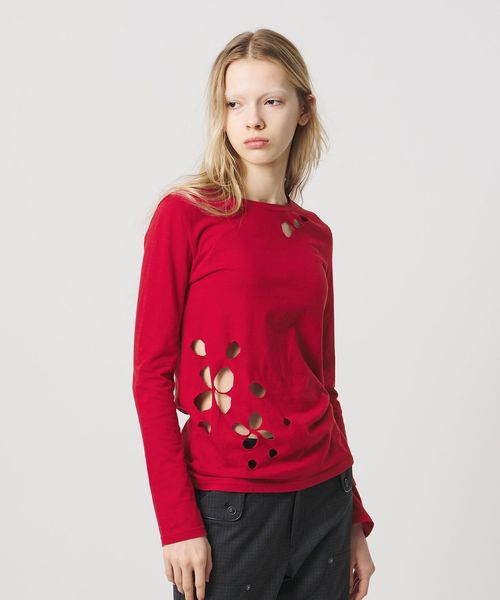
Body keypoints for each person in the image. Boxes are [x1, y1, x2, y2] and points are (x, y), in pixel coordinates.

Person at [132, 28, 375, 600]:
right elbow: (150, 378)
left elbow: (322, 383)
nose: (253, 120)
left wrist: (354, 520)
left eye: (271, 101)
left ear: (304, 110)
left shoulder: (314, 236)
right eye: (235, 104)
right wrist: (178, 523)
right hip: (229, 505)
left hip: (325, 499)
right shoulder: (185, 217)